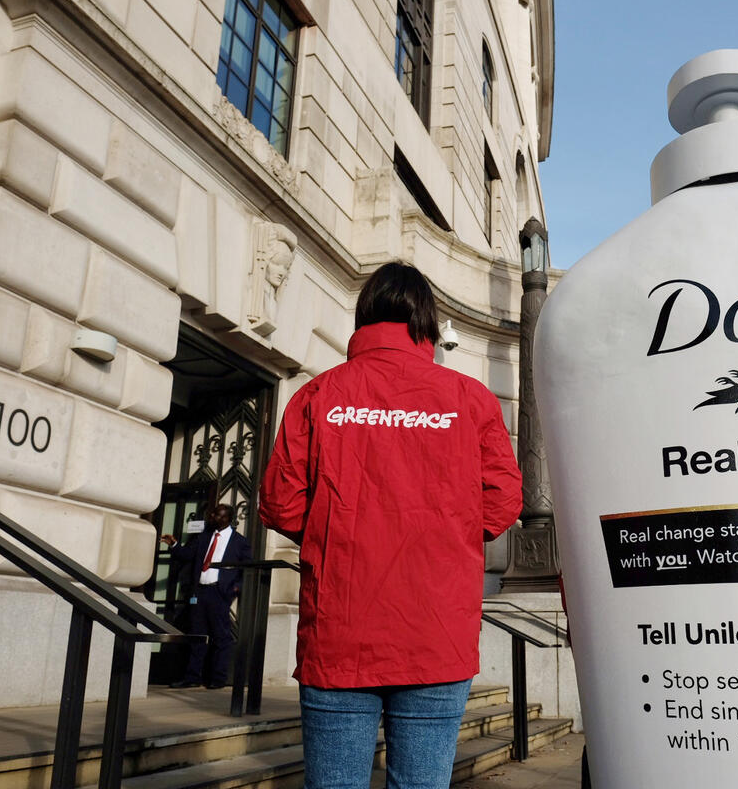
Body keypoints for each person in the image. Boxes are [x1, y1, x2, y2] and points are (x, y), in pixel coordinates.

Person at [259, 261, 522, 789]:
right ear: (425, 321)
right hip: (436, 630)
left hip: (340, 629)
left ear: (364, 317)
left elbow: (281, 504)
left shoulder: (318, 395)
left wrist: (337, 532)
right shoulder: (470, 400)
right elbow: (505, 498)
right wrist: (451, 535)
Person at [160, 503, 251, 689]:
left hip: (220, 593)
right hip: (200, 592)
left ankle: (218, 679)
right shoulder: (204, 537)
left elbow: (247, 568)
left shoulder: (239, 542)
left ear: (228, 519)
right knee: (197, 636)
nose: (214, 518)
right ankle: (192, 677)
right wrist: (175, 545)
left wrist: (235, 589)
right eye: (213, 514)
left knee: (221, 637)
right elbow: (187, 554)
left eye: (219, 516)